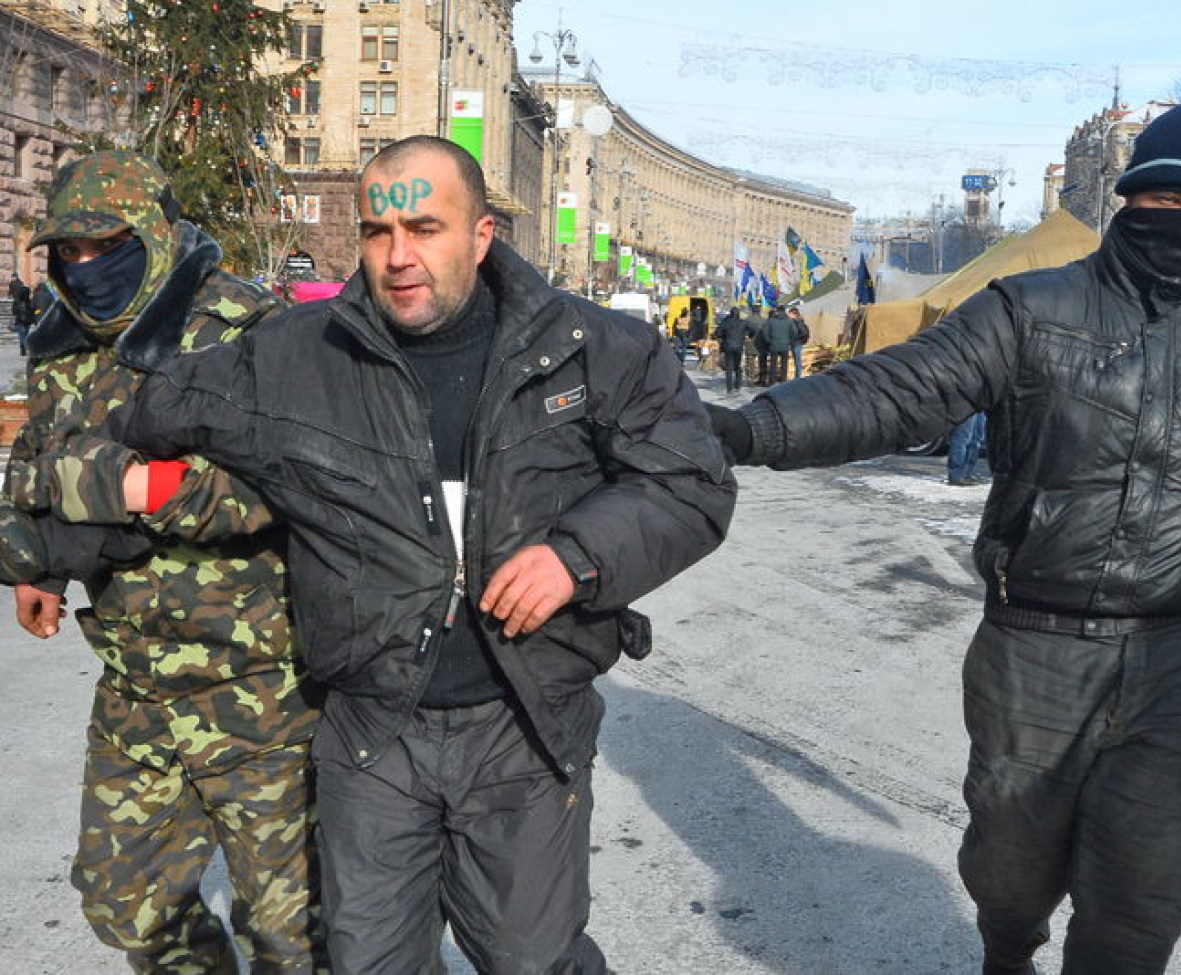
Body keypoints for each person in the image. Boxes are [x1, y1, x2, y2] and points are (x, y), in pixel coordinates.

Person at [47, 136, 735, 974]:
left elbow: (691, 482)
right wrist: (81, 523)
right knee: (371, 964)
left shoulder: (596, 349)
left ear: (482, 236)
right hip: (372, 733)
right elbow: (141, 417)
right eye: (377, 232)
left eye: (424, 227)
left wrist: (576, 556)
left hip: (522, 724)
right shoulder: (297, 353)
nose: (398, 256)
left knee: (530, 957)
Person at [704, 104, 1181, 974]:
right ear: (1132, 196)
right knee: (1010, 869)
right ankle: (1007, 951)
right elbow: (898, 393)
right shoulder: (1031, 308)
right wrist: (745, 431)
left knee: (1146, 896)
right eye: (1171, 196)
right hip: (1037, 650)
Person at [0, 151, 326, 971]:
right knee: (124, 899)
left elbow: (280, 483)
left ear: (153, 230)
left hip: (261, 688)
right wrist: (47, 568)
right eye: (66, 252)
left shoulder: (244, 329)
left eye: (104, 245)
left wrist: (119, 485)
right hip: (137, 684)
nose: (84, 267)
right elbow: (36, 462)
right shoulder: (60, 341)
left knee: (293, 932)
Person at [713, 306, 747, 394]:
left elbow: (717, 333)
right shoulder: (743, 322)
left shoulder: (726, 322)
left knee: (729, 368)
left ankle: (729, 388)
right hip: (739, 347)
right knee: (737, 367)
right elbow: (754, 329)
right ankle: (738, 386)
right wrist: (748, 335)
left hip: (728, 346)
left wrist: (722, 338)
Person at [946, 411, 987, 486]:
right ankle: (956, 475)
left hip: (980, 404)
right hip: (967, 405)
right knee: (962, 437)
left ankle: (966, 473)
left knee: (976, 439)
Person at [763, 304, 798, 384]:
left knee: (773, 365)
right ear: (784, 310)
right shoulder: (789, 320)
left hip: (774, 345)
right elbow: (795, 332)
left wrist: (769, 340)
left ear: (777, 311)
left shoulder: (771, 320)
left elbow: (765, 332)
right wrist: (789, 340)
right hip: (785, 345)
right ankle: (783, 381)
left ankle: (772, 381)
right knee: (784, 365)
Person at [7, 272, 33, 353]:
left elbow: (14, 312)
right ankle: (25, 348)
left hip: (20, 320)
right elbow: (32, 311)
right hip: (27, 321)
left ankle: (24, 347)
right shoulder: (30, 302)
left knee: (21, 335)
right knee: (25, 333)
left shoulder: (16, 303)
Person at [788, 305, 810, 379]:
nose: (788, 315)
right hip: (797, 343)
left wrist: (794, 338)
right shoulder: (798, 321)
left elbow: (803, 332)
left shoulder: (797, 321)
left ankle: (798, 377)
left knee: (797, 361)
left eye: (789, 314)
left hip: (797, 344)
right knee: (797, 361)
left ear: (793, 314)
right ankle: (797, 376)